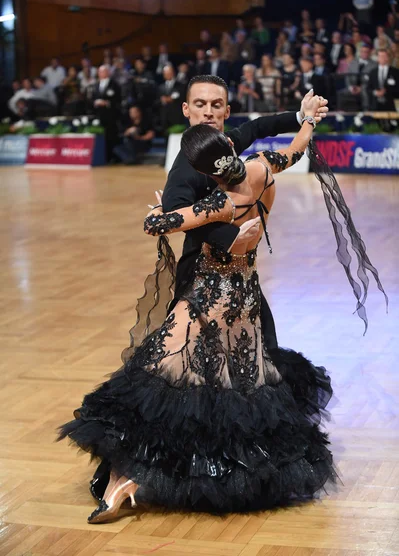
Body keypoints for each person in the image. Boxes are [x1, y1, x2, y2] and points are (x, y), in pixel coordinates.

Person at [57, 84, 388, 521]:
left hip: (205, 302)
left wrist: (165, 217)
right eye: (203, 105)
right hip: (245, 301)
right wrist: (306, 122)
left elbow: (160, 223)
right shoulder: (264, 168)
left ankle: (127, 478)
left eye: (217, 107)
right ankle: (237, 467)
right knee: (243, 388)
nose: (213, 113)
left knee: (160, 384)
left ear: (208, 170)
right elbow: (292, 148)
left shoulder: (216, 202)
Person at [91, 65, 121, 162]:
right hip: (99, 115)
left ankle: (112, 157)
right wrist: (95, 102)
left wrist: (107, 103)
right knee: (101, 136)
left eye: (103, 71)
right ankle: (102, 157)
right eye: (100, 72)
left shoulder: (114, 85)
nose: (101, 73)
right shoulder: (95, 85)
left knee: (111, 136)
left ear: (108, 72)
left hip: (111, 116)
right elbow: (92, 98)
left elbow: (118, 99)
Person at [368, 49, 399, 113]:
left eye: (384, 56)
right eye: (380, 56)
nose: (382, 58)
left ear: (388, 58)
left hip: (391, 104)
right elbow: (368, 88)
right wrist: (376, 92)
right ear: (377, 58)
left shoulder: (395, 72)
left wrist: (386, 91)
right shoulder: (372, 72)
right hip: (376, 104)